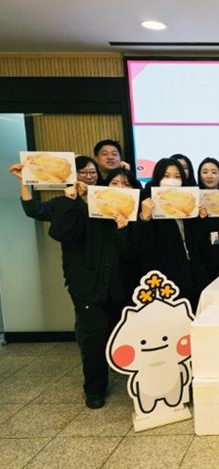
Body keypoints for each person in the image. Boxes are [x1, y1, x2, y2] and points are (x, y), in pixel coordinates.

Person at [47, 166, 143, 409]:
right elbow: (60, 232)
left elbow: (136, 255)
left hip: (121, 288)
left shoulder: (135, 217)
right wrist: (70, 200)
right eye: (114, 184)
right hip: (89, 287)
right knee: (94, 339)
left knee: (122, 335)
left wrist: (123, 230)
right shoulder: (85, 209)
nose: (120, 189)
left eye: (126, 185)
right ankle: (94, 389)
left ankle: (131, 379)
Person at [133, 158, 207, 309]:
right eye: (166, 176)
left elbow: (197, 242)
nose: (172, 180)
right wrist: (145, 218)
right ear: (157, 178)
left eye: (177, 176)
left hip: (191, 273)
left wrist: (201, 219)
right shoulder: (147, 202)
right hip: (164, 278)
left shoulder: (188, 202)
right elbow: (142, 245)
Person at [9, 155, 99, 221]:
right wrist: (23, 181)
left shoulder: (105, 195)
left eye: (93, 172)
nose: (89, 177)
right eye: (83, 172)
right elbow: (33, 210)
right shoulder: (64, 202)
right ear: (72, 175)